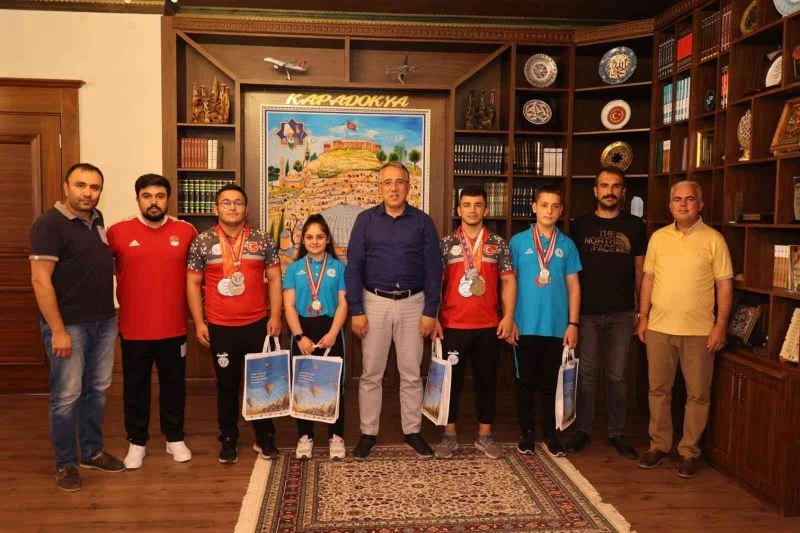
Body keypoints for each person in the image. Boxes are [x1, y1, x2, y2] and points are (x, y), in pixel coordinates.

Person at [30, 163, 124, 492]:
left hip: (103, 321)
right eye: (81, 185)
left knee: (96, 390)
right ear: (66, 187)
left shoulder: (96, 220)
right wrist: (57, 330)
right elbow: (40, 281)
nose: (88, 193)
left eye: (94, 187)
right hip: (69, 326)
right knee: (66, 396)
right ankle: (66, 463)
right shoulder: (49, 224)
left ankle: (92, 452)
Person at [345, 161, 443, 459]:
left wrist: (430, 311)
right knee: (371, 373)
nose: (394, 187)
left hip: (414, 305)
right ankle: (367, 433)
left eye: (400, 182)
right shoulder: (365, 220)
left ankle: (412, 432)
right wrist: (357, 309)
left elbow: (434, 269)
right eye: (388, 182)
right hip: (373, 303)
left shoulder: (423, 222)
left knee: (411, 374)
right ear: (379, 187)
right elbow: (354, 266)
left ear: (409, 187)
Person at [636, 180, 732, 478]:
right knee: (658, 390)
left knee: (697, 394)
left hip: (699, 331)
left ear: (700, 205)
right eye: (677, 199)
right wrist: (643, 315)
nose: (683, 204)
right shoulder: (658, 238)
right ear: (670, 206)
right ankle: (659, 445)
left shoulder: (714, 239)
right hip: (659, 327)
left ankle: (689, 451)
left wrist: (720, 325)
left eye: (689, 199)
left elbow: (724, 285)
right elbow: (648, 279)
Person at [186, 184, 283, 464]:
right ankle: (228, 438)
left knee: (262, 384)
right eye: (226, 202)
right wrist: (199, 322)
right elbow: (193, 283)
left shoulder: (262, 239)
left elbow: (275, 278)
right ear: (216, 208)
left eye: (238, 202)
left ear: (246, 208)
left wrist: (275, 316)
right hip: (220, 327)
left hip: (257, 325)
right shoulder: (203, 241)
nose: (232, 207)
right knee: (227, 386)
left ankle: (264, 437)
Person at [106, 174, 197, 469]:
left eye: (159, 196)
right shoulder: (117, 232)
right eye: (147, 196)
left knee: (174, 386)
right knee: (135, 388)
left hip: (173, 327)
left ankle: (174, 438)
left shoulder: (186, 231)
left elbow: (198, 277)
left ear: (168, 199)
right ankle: (137, 442)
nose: (153, 202)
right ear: (138, 199)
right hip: (134, 328)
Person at [566, 167, 646, 459]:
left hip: (623, 313)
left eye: (615, 186)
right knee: (586, 375)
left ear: (623, 192)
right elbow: (570, 272)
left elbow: (640, 271)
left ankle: (617, 433)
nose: (609, 191)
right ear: (595, 191)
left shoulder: (635, 226)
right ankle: (583, 430)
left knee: (617, 376)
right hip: (586, 313)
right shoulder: (579, 225)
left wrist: (641, 311)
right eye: (604, 185)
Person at [433, 186, 516, 459]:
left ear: (486, 210)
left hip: (488, 326)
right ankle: (449, 436)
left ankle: (485, 436)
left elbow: (508, 281)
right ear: (459, 210)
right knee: (451, 384)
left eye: (478, 205)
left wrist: (508, 316)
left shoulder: (498, 243)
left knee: (486, 382)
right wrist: (434, 317)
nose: (472, 210)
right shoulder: (446, 244)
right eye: (467, 205)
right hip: (452, 326)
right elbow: (436, 284)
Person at [508, 185, 581, 457]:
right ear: (534, 208)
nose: (549, 211)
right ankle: (527, 434)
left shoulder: (567, 245)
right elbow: (508, 284)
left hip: (556, 327)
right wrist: (510, 319)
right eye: (544, 205)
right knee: (525, 382)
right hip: (524, 325)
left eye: (555, 206)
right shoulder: (518, 242)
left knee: (551, 383)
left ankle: (551, 435)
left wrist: (573, 324)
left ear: (561, 211)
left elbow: (574, 287)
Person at [283, 214, 349, 460]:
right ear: (303, 240)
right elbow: (289, 306)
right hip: (303, 331)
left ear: (328, 239)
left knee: (334, 385)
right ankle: (305, 436)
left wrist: (333, 333)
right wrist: (299, 336)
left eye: (320, 236)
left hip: (331, 329)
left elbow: (343, 304)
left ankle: (336, 436)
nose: (314, 241)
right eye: (309, 237)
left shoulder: (339, 268)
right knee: (304, 384)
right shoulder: (294, 268)